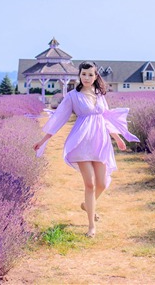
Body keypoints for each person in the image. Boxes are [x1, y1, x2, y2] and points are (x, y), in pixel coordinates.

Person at [33, 61, 140, 238]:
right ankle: (91, 225)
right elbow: (59, 118)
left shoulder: (100, 95)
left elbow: (105, 118)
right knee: (89, 184)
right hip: (81, 142)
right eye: (84, 74)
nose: (87, 77)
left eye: (91, 74)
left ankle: (87, 205)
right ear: (79, 75)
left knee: (102, 183)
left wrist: (118, 138)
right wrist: (43, 140)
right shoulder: (73, 96)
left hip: (100, 141)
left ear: (96, 76)